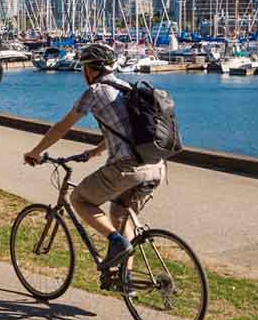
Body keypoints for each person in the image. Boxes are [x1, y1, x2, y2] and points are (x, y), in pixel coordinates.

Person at [23, 43, 166, 273]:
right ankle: (125, 278)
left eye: (84, 69)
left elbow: (62, 127)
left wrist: (36, 151)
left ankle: (116, 242)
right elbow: (126, 132)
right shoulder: (126, 87)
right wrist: (94, 152)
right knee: (120, 215)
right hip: (156, 166)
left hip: (128, 169)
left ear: (91, 69)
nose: (83, 74)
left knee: (80, 199)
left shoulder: (96, 91)